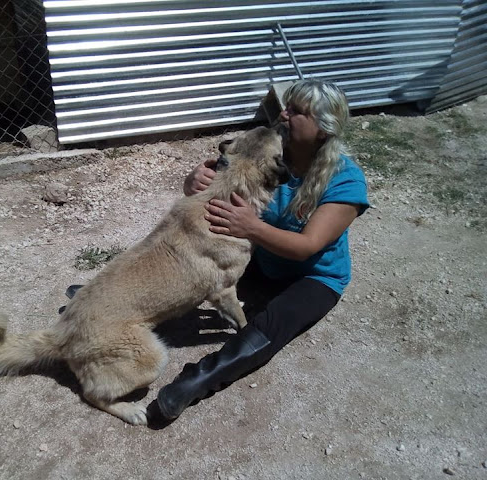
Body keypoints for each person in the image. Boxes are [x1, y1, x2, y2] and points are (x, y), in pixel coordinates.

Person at [154, 78, 370, 422]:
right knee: (198, 263)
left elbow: (307, 247)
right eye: (287, 106)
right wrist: (192, 182)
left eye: (297, 112)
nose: (283, 114)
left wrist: (251, 227)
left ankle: (196, 381)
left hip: (314, 276)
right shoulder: (262, 149)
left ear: (322, 131)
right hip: (263, 256)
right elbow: (208, 194)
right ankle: (123, 298)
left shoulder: (346, 180)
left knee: (269, 327)